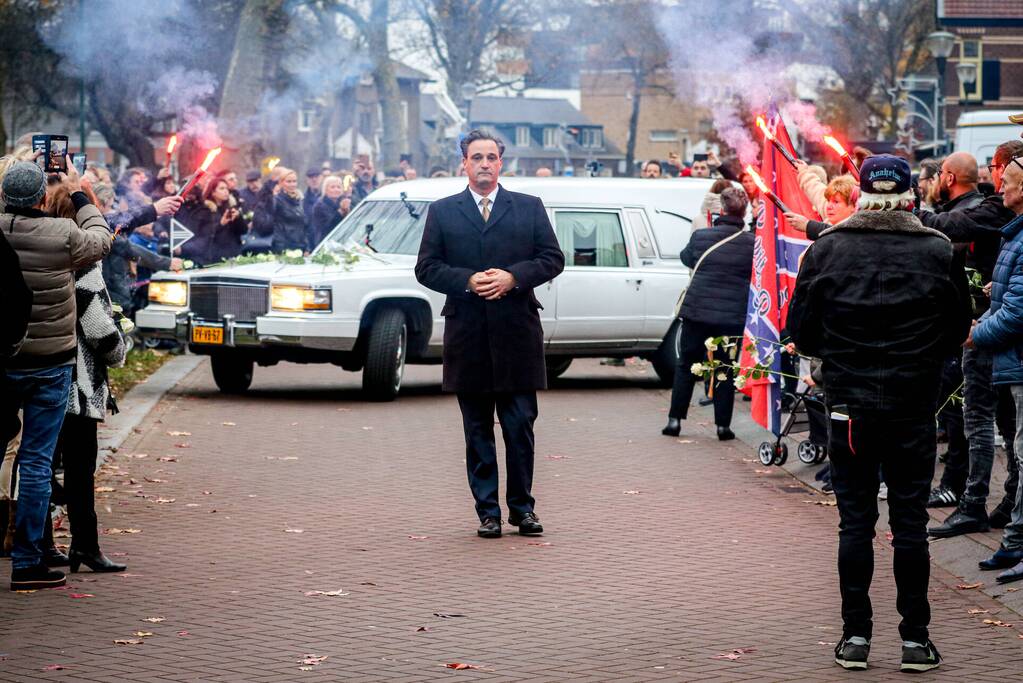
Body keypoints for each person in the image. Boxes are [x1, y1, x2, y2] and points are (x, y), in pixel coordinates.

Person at [788, 155, 972, 673]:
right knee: (910, 524)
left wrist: (838, 357)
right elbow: (958, 327)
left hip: (849, 406)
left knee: (855, 523)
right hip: (913, 405)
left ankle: (855, 637)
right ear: (910, 196)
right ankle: (916, 639)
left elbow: (801, 331)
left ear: (862, 195)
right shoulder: (938, 250)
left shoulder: (827, 249)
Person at [415, 129, 564, 539]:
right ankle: (488, 513)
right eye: (476, 157)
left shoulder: (528, 207)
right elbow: (426, 268)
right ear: (464, 163)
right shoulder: (443, 211)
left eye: (491, 157)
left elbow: (552, 258)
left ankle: (522, 509)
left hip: (517, 334)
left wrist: (514, 277)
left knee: (520, 427)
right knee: (477, 430)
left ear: (501, 163)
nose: (484, 164)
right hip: (469, 336)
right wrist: (467, 280)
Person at [2, 159, 113, 591]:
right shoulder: (62, 234)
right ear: (42, 198)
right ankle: (28, 561)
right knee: (36, 460)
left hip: (4, 359)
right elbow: (102, 239)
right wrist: (80, 190)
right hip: (50, 362)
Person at [45, 183, 128, 573]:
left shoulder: (37, 247)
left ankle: (42, 543)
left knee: (41, 464)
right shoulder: (82, 260)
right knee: (80, 468)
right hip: (77, 382)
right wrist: (120, 346)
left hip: (41, 372)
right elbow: (97, 327)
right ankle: (85, 545)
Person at [967, 150, 1023, 582]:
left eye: (1009, 180)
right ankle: (1016, 540)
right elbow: (1007, 299)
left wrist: (976, 333)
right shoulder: (1013, 235)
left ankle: (1017, 540)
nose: (999, 184)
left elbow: (1017, 312)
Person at [662, 187, 754, 441]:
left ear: (721, 210)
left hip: (697, 312)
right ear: (744, 212)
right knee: (724, 367)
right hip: (731, 316)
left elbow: (686, 258)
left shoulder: (701, 236)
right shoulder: (752, 243)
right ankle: (723, 426)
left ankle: (674, 421)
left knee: (686, 365)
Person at [182, 176, 247, 265]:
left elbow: (243, 231)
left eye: (226, 188)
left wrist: (238, 218)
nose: (226, 191)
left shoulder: (231, 207)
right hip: (214, 258)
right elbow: (204, 236)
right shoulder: (204, 210)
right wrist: (221, 224)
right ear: (213, 192)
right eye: (222, 188)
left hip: (234, 255)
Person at [270, 167, 308, 253]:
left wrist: (306, 247)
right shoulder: (276, 200)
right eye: (289, 181)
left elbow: (303, 226)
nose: (292, 184)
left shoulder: (299, 200)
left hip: (300, 246)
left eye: (294, 181)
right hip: (283, 247)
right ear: (281, 183)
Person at [310, 175, 351, 246]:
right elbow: (325, 229)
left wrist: (347, 212)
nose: (336, 189)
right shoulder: (319, 206)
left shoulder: (342, 203)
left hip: (341, 242)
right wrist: (340, 213)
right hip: (325, 244)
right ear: (325, 190)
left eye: (338, 187)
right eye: (333, 187)